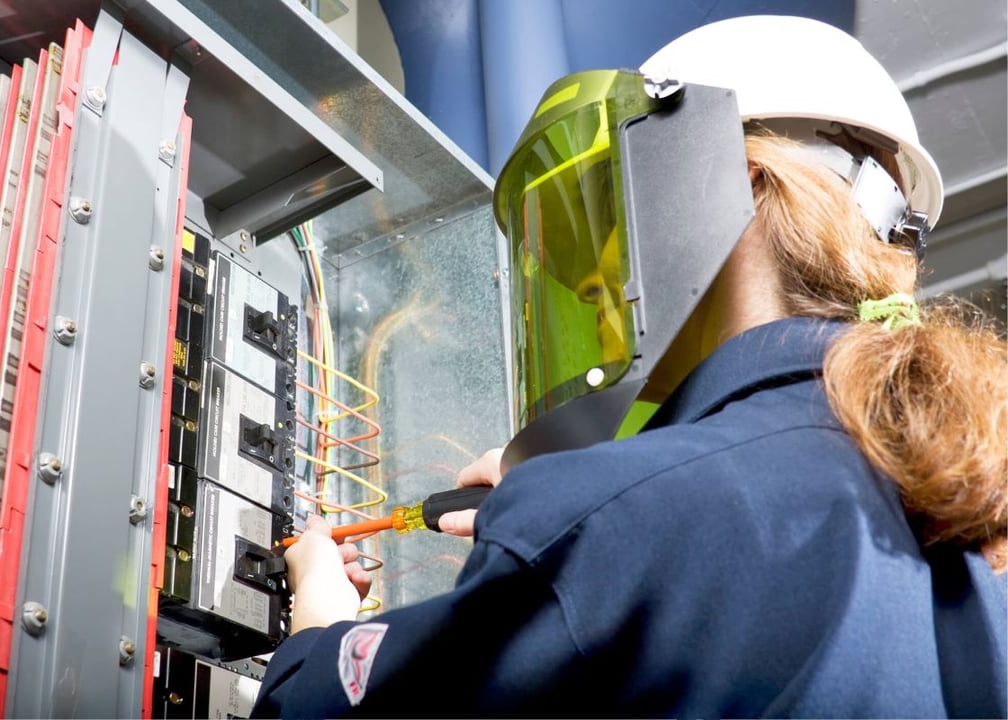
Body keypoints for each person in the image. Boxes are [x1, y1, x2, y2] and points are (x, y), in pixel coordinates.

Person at [253, 15, 1006, 718]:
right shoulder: (963, 536)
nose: (597, 295)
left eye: (610, 249)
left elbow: (315, 705)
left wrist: (318, 621)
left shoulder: (621, 515)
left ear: (720, 185)